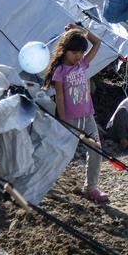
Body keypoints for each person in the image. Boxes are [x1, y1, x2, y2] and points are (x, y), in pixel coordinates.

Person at [43, 25, 109, 202]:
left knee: (96, 149)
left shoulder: (82, 64)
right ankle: (45, 183)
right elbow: (60, 96)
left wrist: (80, 29)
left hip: (87, 115)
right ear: (64, 51)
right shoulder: (60, 71)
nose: (78, 56)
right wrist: (63, 120)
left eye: (81, 52)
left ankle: (91, 188)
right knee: (62, 153)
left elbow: (97, 43)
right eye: (74, 53)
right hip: (70, 118)